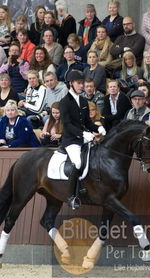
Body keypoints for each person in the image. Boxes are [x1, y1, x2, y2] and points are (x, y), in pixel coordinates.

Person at [59, 70, 106, 209]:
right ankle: (71, 196)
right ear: (71, 83)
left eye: (82, 83)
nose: (82, 86)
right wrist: (82, 134)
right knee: (78, 162)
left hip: (83, 138)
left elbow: (87, 122)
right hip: (71, 140)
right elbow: (67, 124)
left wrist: (98, 128)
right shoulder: (64, 102)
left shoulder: (84, 100)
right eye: (79, 83)